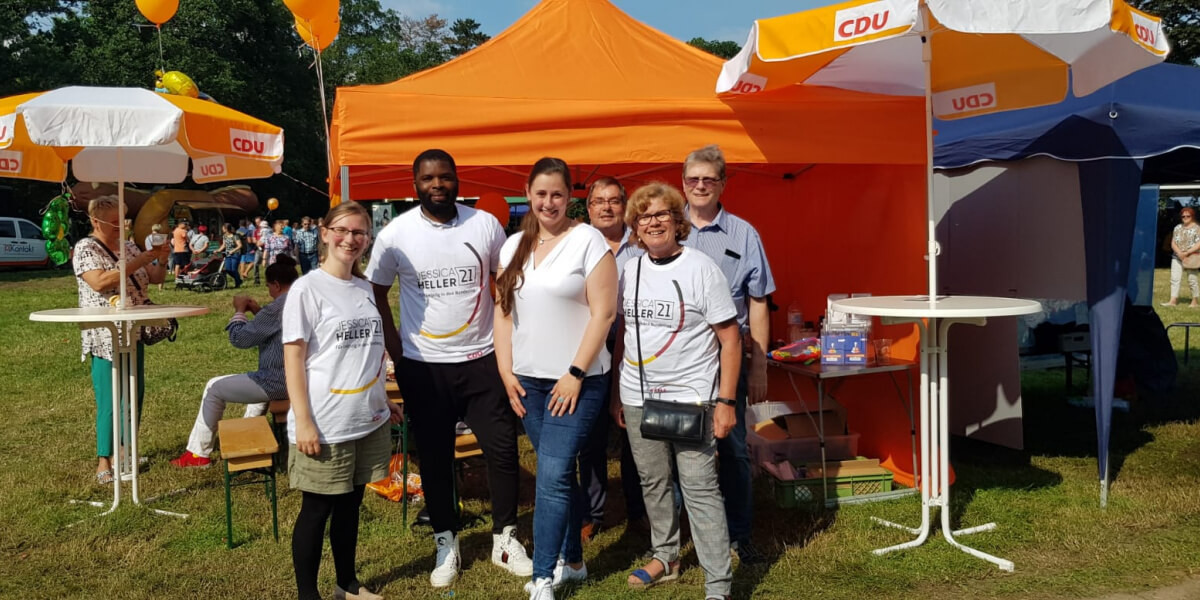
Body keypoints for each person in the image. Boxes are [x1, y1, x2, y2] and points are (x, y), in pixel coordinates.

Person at [366, 149, 531, 588]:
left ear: (458, 180)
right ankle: (445, 539)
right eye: (427, 178)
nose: (437, 184)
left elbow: (502, 286)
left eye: (445, 177)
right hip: (424, 366)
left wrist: (509, 345)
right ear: (414, 183)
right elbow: (376, 294)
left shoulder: (484, 224)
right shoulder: (396, 234)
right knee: (436, 457)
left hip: (482, 360)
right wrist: (396, 348)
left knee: (502, 450)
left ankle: (505, 536)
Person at [495, 157, 617, 600]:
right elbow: (503, 311)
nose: (549, 202)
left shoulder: (588, 240)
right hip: (529, 382)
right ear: (528, 193)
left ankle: (542, 577)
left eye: (558, 194)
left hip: (579, 383)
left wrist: (575, 373)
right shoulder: (512, 248)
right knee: (559, 473)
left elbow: (604, 313)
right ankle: (577, 562)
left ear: (571, 197)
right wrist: (505, 370)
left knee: (551, 475)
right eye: (541, 193)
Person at [613, 182, 739, 600]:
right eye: (644, 216)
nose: (652, 222)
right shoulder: (629, 268)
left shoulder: (701, 268)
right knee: (653, 481)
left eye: (661, 214)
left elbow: (730, 338)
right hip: (637, 395)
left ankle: (717, 583)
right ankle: (665, 555)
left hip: (692, 399)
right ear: (634, 226)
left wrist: (726, 401)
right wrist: (618, 390)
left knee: (700, 488)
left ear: (677, 220)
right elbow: (623, 333)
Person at [283, 202, 401, 600]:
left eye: (359, 233)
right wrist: (303, 420)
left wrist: (383, 399)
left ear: (367, 240)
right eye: (343, 230)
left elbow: (367, 352)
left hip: (366, 418)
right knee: (317, 510)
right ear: (324, 232)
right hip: (324, 421)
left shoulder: (365, 288)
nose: (350, 239)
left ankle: (346, 584)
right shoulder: (306, 289)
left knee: (351, 507)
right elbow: (294, 358)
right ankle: (307, 594)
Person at [680, 144, 775, 564]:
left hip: (727, 358)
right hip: (677, 358)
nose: (700, 186)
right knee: (677, 444)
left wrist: (760, 364)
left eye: (709, 179)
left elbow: (758, 301)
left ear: (722, 183)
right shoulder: (666, 226)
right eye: (692, 179)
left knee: (733, 447)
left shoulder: (744, 233)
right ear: (682, 183)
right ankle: (678, 536)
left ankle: (739, 534)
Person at [74, 195, 169, 484]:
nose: (120, 227)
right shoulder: (85, 248)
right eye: (113, 222)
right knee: (109, 396)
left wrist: (161, 257)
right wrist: (141, 258)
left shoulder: (128, 245)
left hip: (133, 328)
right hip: (104, 332)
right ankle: (104, 460)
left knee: (133, 391)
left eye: (122, 221)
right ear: (94, 221)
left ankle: (126, 450)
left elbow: (152, 277)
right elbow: (100, 281)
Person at [171, 255, 299, 467]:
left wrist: (240, 311)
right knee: (257, 398)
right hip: (305, 378)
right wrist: (258, 312)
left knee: (214, 387)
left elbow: (240, 339)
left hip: (279, 380)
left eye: (268, 286)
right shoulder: (304, 300)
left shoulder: (275, 309)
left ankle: (198, 454)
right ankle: (252, 444)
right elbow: (278, 330)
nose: (269, 291)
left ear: (276, 284)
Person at [580, 177, 647, 541]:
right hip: (589, 345)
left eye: (614, 200)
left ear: (625, 205)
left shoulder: (642, 246)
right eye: (599, 201)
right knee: (589, 434)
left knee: (632, 431)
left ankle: (639, 511)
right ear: (588, 207)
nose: (606, 207)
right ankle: (592, 513)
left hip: (635, 347)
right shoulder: (576, 244)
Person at [1164, 206, 1200, 308]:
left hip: (1192, 257)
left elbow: (1199, 243)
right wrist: (1180, 253)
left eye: (1188, 216)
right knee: (1174, 279)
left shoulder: (1197, 228)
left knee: (1192, 279)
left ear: (1192, 216)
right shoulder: (1177, 228)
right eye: (1183, 216)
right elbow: (1173, 243)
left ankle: (1194, 301)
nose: (1185, 217)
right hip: (1177, 257)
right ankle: (1173, 300)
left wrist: (1187, 253)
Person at [215, 223, 244, 288]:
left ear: (226, 229)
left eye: (223, 228)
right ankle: (239, 280)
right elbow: (224, 245)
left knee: (233, 270)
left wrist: (233, 251)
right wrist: (218, 250)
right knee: (228, 269)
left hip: (235, 254)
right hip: (227, 255)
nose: (222, 229)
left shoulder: (235, 236)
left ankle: (237, 284)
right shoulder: (224, 236)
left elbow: (240, 245)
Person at [144, 223, 166, 291]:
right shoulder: (160, 237)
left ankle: (146, 287)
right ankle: (160, 288)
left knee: (148, 273)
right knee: (160, 272)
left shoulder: (147, 237)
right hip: (158, 256)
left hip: (149, 256)